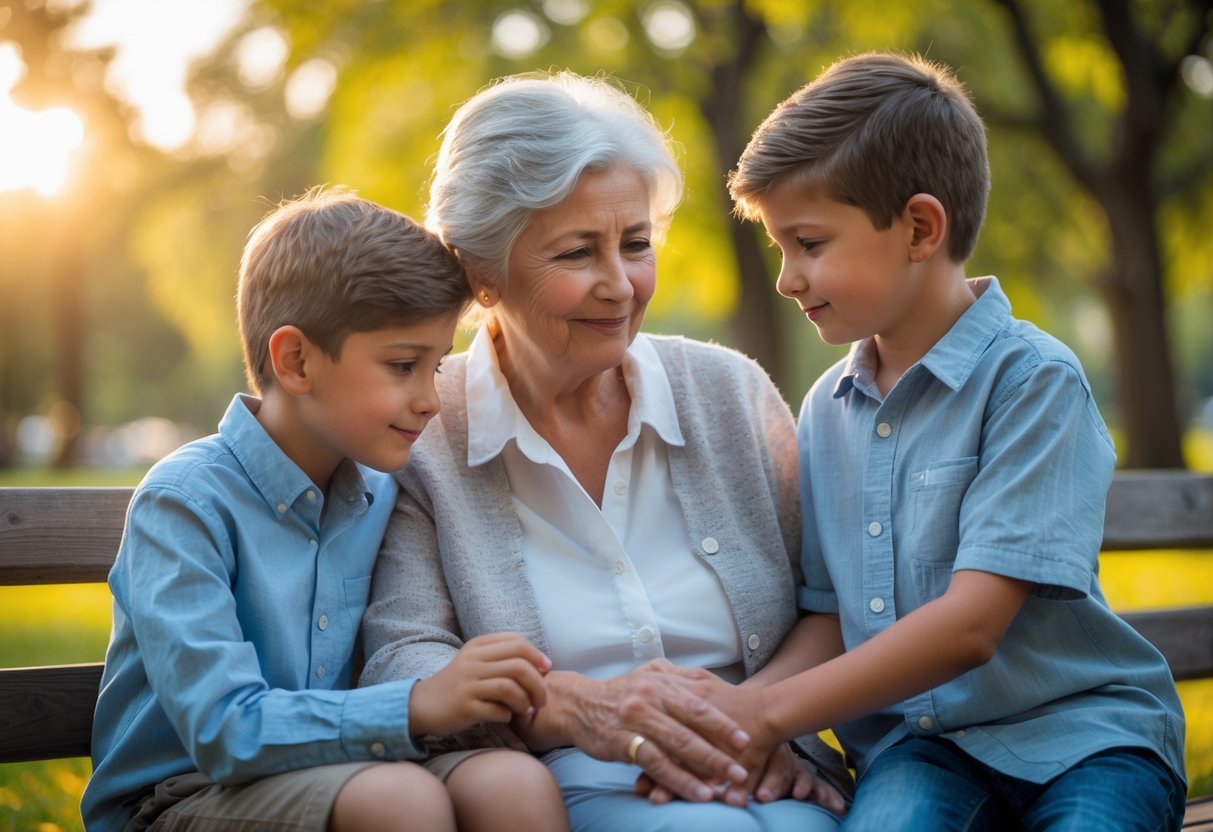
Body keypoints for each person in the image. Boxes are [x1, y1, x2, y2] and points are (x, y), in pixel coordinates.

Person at [695, 50, 1188, 829]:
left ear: (919, 227)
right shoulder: (826, 409)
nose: (787, 277)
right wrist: (737, 711)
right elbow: (830, 614)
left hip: (1084, 738)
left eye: (810, 244)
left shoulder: (1032, 382)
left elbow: (968, 627)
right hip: (918, 749)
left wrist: (772, 713)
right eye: (778, 248)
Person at [359, 71, 852, 831]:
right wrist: (576, 708)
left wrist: (748, 717)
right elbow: (403, 659)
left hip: (769, 770)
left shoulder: (728, 393)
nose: (619, 286)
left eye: (635, 244)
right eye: (577, 254)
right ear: (480, 273)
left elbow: (832, 603)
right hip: (571, 785)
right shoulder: (423, 433)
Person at [81, 189, 569, 832]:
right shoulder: (185, 503)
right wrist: (419, 703)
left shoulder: (385, 489)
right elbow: (224, 731)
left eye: (438, 365)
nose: (430, 399)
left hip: (348, 766)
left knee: (512, 783)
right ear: (296, 361)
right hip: (179, 797)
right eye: (403, 366)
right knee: (400, 801)